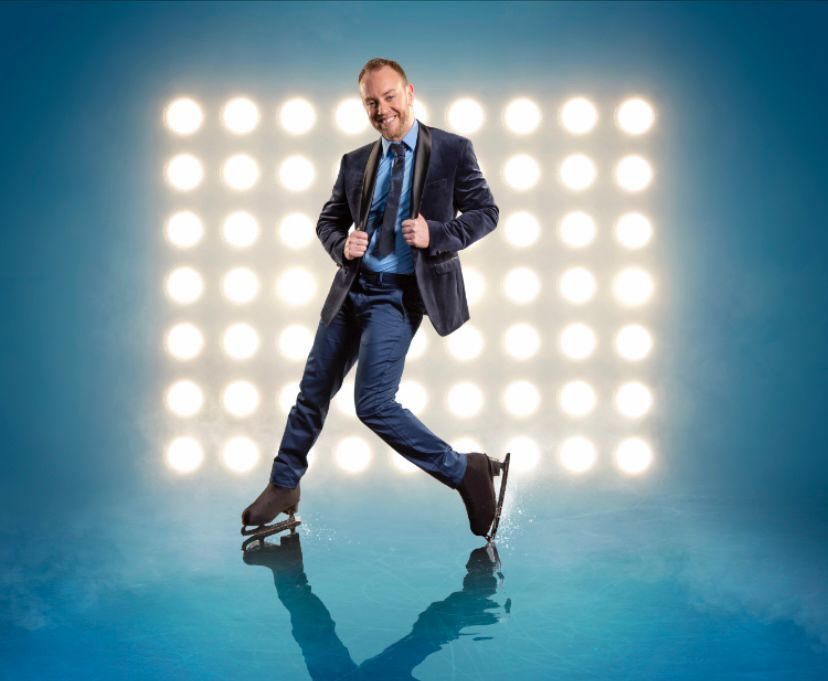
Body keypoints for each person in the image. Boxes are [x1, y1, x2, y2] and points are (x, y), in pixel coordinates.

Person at [241, 57, 508, 544]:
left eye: (389, 97)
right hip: (352, 290)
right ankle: (284, 484)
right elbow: (327, 221)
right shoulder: (355, 162)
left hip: (398, 298)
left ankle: (464, 470)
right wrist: (341, 244)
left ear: (409, 92)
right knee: (312, 392)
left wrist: (438, 233)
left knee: (374, 403)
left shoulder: (450, 149)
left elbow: (487, 213)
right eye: (371, 102)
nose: (381, 109)